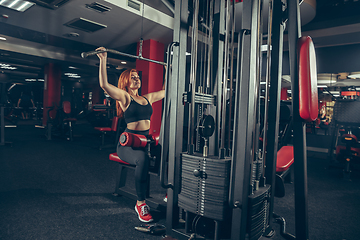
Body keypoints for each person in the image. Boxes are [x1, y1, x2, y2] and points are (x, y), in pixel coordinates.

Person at [96, 47, 165, 223]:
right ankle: (140, 203)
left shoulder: (147, 98)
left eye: (138, 77)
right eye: (133, 77)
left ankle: (168, 192)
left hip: (144, 141)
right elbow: (104, 85)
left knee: (166, 154)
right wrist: (103, 59)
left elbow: (166, 91)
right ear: (126, 81)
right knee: (142, 159)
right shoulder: (125, 97)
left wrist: (168, 69)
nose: (137, 79)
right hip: (127, 144)